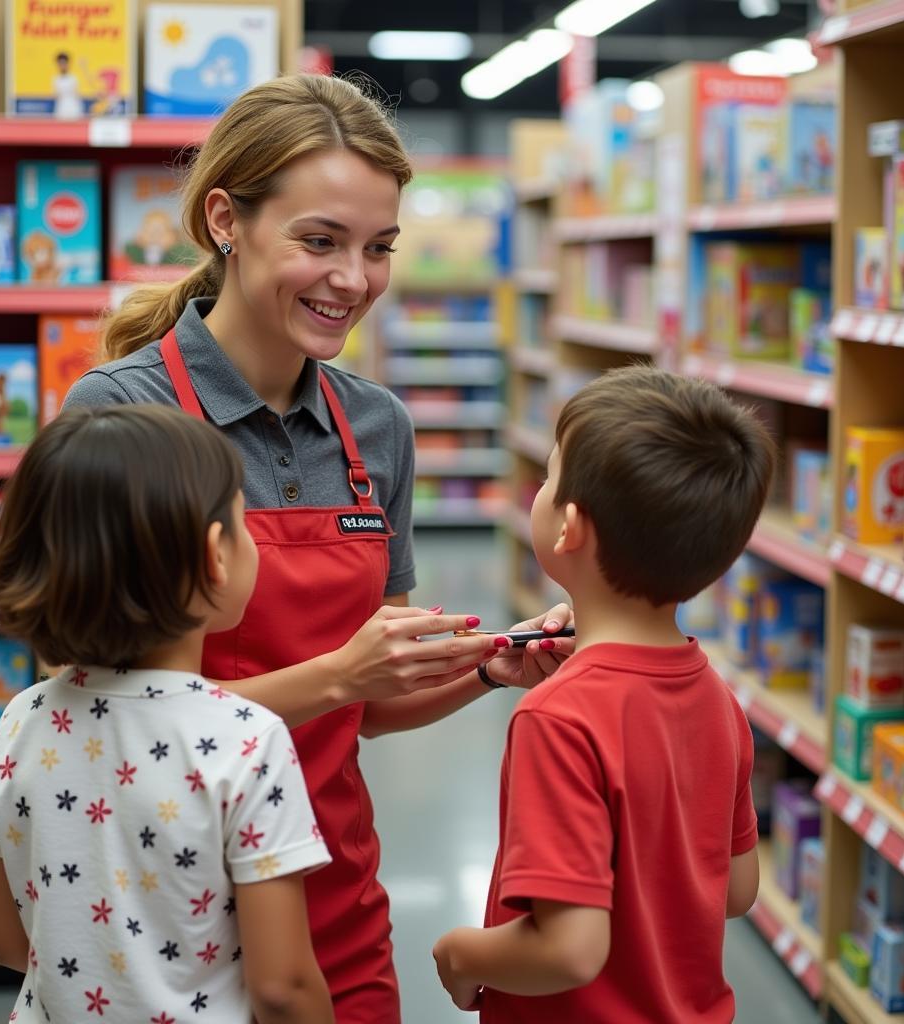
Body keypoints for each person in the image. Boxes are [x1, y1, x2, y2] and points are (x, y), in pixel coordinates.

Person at [62, 73, 572, 1022]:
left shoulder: (374, 427)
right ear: (226, 219)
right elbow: (95, 723)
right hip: (157, 913)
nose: (354, 280)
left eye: (378, 248)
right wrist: (339, 676)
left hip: (332, 891)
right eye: (320, 241)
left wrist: (493, 670)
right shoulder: (120, 415)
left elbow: (363, 711)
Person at [0, 405, 335, 1024]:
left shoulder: (20, 720)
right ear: (216, 555)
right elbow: (283, 987)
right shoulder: (246, 739)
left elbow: (7, 941)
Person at [433, 365, 776, 1023]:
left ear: (569, 528)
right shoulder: (720, 703)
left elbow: (569, 952)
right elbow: (737, 891)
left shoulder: (557, 718)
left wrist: (462, 953)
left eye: (550, 476)